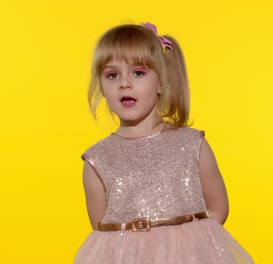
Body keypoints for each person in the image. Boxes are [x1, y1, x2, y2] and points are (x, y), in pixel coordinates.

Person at [74, 22, 253, 264]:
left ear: (161, 83)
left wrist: (184, 248)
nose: (124, 83)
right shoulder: (98, 159)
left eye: (138, 73)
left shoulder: (190, 144)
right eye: (112, 75)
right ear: (102, 87)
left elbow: (218, 207)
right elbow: (103, 233)